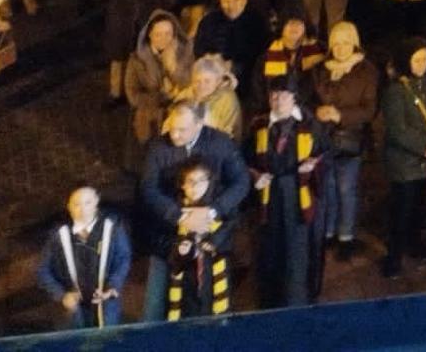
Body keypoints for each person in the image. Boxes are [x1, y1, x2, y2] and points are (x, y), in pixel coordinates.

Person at [137, 103, 250, 323]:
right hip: (170, 233)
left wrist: (213, 211)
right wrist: (181, 216)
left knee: (211, 298)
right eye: (172, 128)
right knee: (156, 300)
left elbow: (241, 182)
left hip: (211, 234)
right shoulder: (158, 148)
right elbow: (148, 188)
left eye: (182, 129)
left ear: (199, 125)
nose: (175, 135)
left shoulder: (220, 143)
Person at [380, 37, 426, 278]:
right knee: (401, 211)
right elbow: (398, 130)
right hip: (405, 163)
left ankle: (414, 243)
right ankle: (394, 257)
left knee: (421, 206)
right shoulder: (395, 90)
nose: (421, 64)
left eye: (425, 59)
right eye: (416, 60)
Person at [252, 78, 327, 307]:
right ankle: (271, 301)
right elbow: (247, 160)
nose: (278, 100)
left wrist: (314, 165)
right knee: (272, 250)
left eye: (284, 95)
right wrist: (255, 175)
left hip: (300, 197)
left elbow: (326, 154)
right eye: (273, 96)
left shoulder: (310, 125)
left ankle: (298, 300)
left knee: (298, 251)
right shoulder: (259, 126)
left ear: (294, 97)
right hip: (271, 198)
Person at [312, 20, 378, 259]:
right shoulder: (320, 70)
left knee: (346, 188)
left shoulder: (366, 71)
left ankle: (346, 236)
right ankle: (327, 232)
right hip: (324, 140)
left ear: (355, 44)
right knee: (327, 187)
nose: (340, 48)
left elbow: (370, 109)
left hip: (351, 139)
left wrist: (340, 115)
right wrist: (318, 112)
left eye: (345, 43)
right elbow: (311, 99)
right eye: (336, 44)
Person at [37, 185, 131, 329]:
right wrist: (61, 295)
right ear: (69, 207)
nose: (82, 209)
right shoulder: (59, 236)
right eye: (76, 204)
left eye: (88, 202)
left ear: (96, 203)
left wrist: (112, 287)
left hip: (105, 306)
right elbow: (43, 270)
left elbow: (123, 259)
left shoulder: (112, 229)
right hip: (73, 310)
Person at [159, 162, 233, 320]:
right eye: (190, 181)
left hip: (213, 278)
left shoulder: (218, 210)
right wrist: (180, 250)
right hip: (186, 281)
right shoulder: (175, 212)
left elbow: (228, 240)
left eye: (201, 180)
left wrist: (214, 241)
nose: (196, 186)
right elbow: (167, 246)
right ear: (183, 185)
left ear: (209, 182)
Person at [124, 11, 196, 153]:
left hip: (179, 112)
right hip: (150, 114)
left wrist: (172, 67)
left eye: (168, 33)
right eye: (158, 34)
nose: (164, 39)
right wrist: (160, 97)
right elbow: (132, 93)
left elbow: (190, 83)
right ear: (149, 35)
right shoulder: (137, 60)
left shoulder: (186, 54)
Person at [193, 0, 269, 89]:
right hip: (212, 77)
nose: (231, 6)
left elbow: (260, 53)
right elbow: (199, 49)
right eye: (226, 1)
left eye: (236, 0)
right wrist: (213, 60)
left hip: (248, 81)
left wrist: (234, 66)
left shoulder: (258, 22)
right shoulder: (209, 21)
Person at [189, 53, 245, 138]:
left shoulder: (227, 99)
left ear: (218, 81)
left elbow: (226, 134)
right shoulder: (187, 95)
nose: (201, 86)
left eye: (207, 81)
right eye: (197, 81)